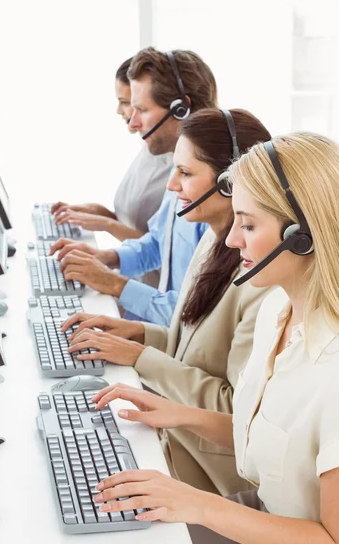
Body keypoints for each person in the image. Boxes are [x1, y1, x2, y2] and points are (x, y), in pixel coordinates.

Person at [89, 132, 339, 544]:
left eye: (246, 224)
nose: (230, 239)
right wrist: (178, 414)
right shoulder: (276, 313)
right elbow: (277, 436)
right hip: (263, 515)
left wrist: (199, 504)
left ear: (301, 238)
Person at [59, 108, 272, 495]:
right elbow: (194, 350)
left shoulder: (260, 278)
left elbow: (234, 410)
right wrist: (138, 333)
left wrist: (140, 356)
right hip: (173, 437)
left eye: (186, 173)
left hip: (206, 471)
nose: (172, 185)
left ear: (229, 184)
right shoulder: (213, 239)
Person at [50, 47, 218, 326]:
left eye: (140, 109)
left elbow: (195, 315)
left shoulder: (212, 193)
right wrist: (107, 257)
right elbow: (157, 243)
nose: (131, 121)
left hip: (179, 339)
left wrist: (114, 284)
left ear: (181, 108)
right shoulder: (180, 172)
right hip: (163, 324)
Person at [51, 57, 173, 260]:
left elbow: (159, 248)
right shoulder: (148, 149)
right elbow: (136, 222)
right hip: (132, 273)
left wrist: (106, 226)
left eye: (129, 104)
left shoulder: (181, 167)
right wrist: (96, 213)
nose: (121, 111)